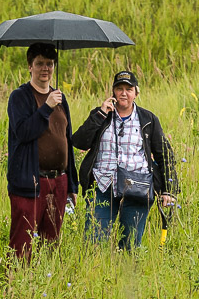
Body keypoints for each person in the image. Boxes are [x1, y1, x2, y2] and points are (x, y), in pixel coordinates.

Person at [72, 69, 176, 250]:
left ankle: (128, 268)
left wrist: (168, 189)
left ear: (136, 93)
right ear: (113, 92)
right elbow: (79, 142)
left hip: (137, 186)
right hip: (102, 184)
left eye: (129, 89)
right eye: (119, 88)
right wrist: (100, 114)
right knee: (94, 243)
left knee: (131, 245)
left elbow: (164, 154)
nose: (123, 93)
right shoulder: (101, 115)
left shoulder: (148, 119)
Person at [5, 43, 77, 261]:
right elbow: (23, 132)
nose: (45, 68)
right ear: (30, 66)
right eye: (39, 64)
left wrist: (72, 184)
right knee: (22, 241)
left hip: (59, 180)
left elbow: (67, 140)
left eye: (49, 64)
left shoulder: (60, 98)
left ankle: (46, 279)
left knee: (51, 242)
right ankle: (17, 280)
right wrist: (46, 107)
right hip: (30, 181)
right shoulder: (19, 97)